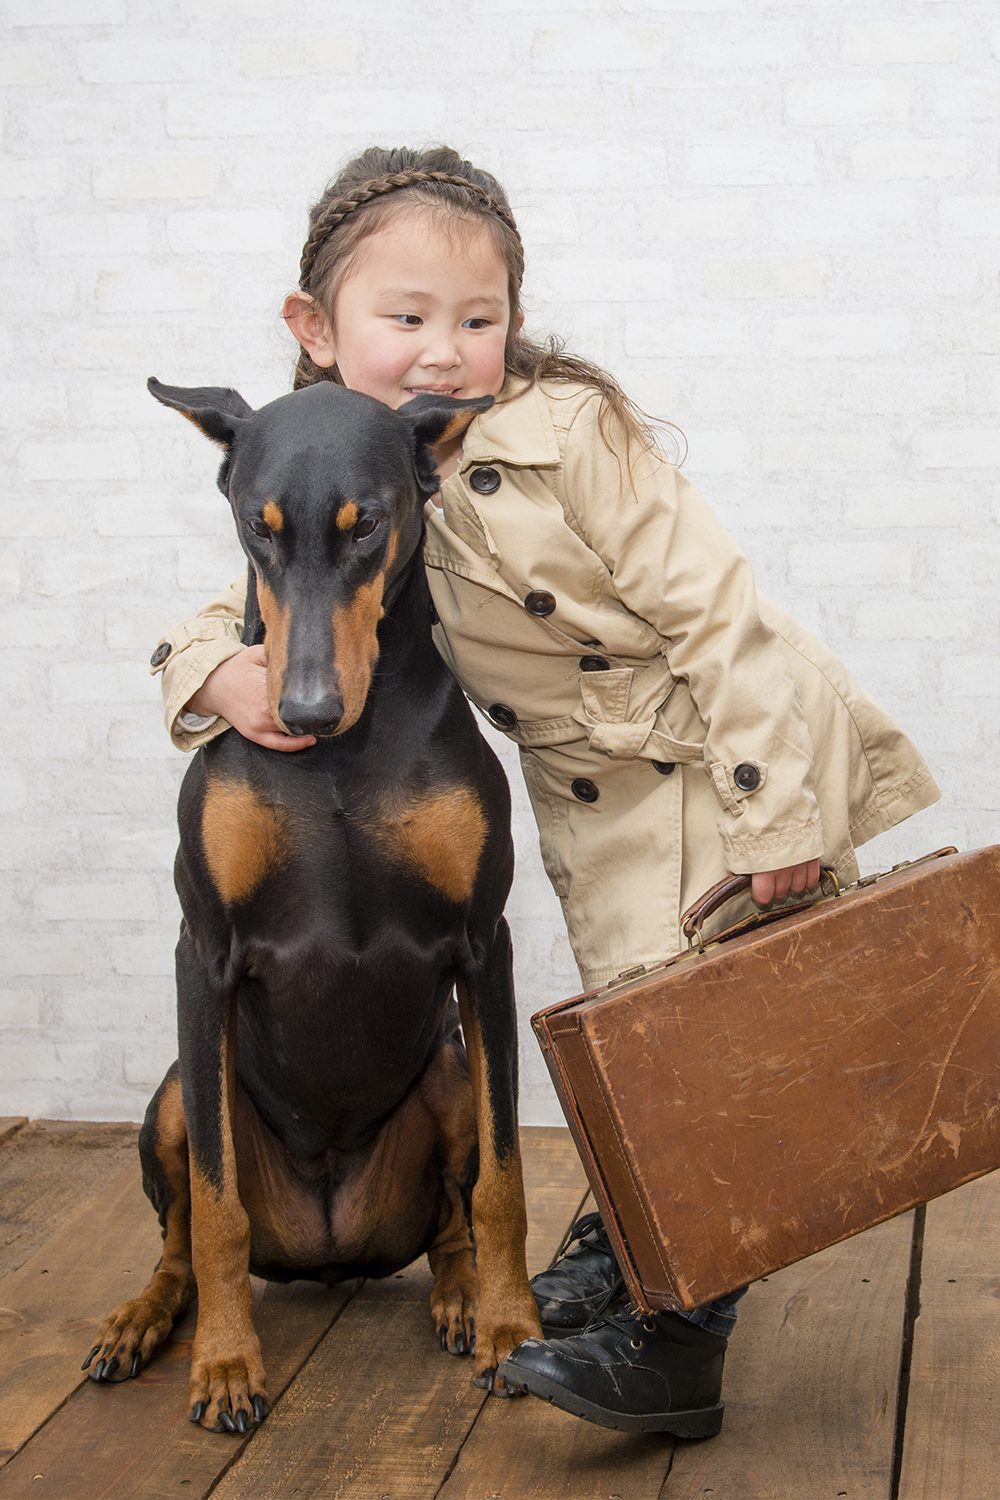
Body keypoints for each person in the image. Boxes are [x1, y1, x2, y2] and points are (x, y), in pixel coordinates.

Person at [150, 144, 940, 1437]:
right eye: (405, 318)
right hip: (601, 797)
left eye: (480, 319)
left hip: (714, 757)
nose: (445, 350)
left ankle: (678, 1352)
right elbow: (277, 598)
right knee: (638, 1038)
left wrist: (779, 813)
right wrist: (207, 673)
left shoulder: (566, 434)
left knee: (696, 1050)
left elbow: (722, 612)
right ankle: (629, 1254)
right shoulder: (344, 456)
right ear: (316, 328)